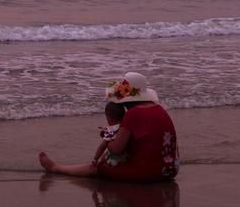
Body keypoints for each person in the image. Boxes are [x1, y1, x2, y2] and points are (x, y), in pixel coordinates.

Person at [39, 72, 180, 182]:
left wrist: (110, 136)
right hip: (170, 169)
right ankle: (56, 167)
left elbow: (116, 149)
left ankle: (55, 167)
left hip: (147, 174)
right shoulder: (160, 109)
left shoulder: (133, 114)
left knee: (98, 167)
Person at [92, 102, 127, 167]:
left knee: (104, 157)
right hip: (127, 158)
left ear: (108, 118)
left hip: (116, 161)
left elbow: (102, 147)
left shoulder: (111, 131)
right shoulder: (125, 127)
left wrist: (95, 159)